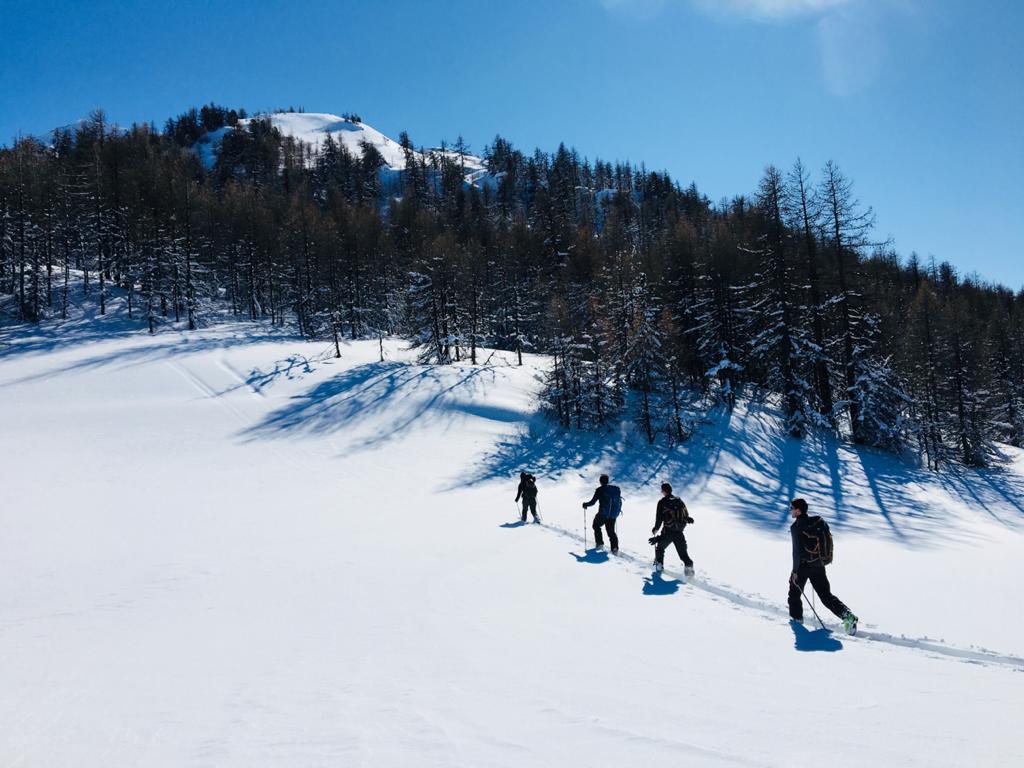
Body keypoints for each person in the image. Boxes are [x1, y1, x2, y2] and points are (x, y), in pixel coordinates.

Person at [787, 498, 859, 635]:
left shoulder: (796, 527)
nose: (790, 509)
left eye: (792, 507)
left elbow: (796, 552)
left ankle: (797, 621)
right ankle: (847, 616)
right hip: (819, 565)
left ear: (798, 510)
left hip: (803, 566)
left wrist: (795, 571)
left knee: (794, 593)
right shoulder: (816, 521)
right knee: (826, 596)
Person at [649, 482, 694, 576]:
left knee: (660, 548)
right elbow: (685, 515)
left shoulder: (662, 502)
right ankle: (689, 571)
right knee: (683, 555)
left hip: (668, 532)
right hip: (679, 532)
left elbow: (659, 518)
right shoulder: (679, 500)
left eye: (662, 490)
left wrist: (655, 529)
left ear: (663, 491)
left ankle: (659, 566)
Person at [582, 474, 621, 553]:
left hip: (603, 514)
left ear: (600, 481)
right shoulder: (614, 490)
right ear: (607, 481)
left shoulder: (600, 490)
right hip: (613, 515)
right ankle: (615, 548)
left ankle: (599, 543)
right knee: (611, 532)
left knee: (596, 525)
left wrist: (585, 504)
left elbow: (593, 502)